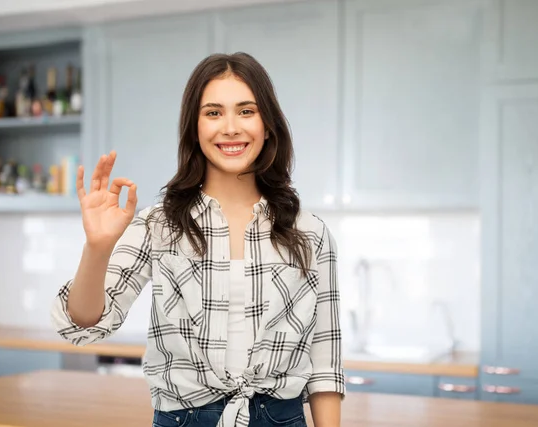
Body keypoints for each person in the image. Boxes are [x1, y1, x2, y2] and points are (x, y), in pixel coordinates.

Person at [51, 52, 345, 427]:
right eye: (213, 113)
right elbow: (84, 324)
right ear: (194, 128)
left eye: (246, 111)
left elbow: (325, 363)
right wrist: (97, 246)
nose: (231, 128)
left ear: (268, 125)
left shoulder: (310, 233)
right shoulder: (159, 224)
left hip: (281, 418)